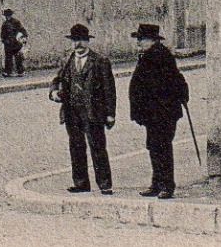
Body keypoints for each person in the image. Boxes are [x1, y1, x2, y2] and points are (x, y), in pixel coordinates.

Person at [48, 23, 115, 194]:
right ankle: (81, 183)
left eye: (82, 40)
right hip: (71, 111)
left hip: (93, 112)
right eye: (75, 40)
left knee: (98, 147)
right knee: (76, 147)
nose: (79, 44)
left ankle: (105, 184)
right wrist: (54, 92)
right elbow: (56, 79)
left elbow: (109, 89)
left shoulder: (100, 61)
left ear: (88, 42)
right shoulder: (67, 60)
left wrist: (110, 114)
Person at [127, 22, 190, 199]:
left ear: (152, 40)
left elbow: (174, 83)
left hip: (162, 114)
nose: (138, 42)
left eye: (141, 39)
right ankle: (157, 183)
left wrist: (168, 104)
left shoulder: (161, 57)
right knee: (154, 147)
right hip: (153, 114)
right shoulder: (148, 55)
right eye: (138, 38)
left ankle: (167, 186)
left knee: (162, 148)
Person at [0, 8, 28, 77]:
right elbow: (3, 34)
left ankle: (20, 72)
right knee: (8, 58)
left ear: (11, 15)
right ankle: (8, 72)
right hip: (8, 43)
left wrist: (22, 38)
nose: (7, 17)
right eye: (6, 15)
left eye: (8, 15)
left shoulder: (16, 22)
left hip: (16, 43)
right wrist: (4, 40)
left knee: (18, 58)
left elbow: (23, 31)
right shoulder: (4, 24)